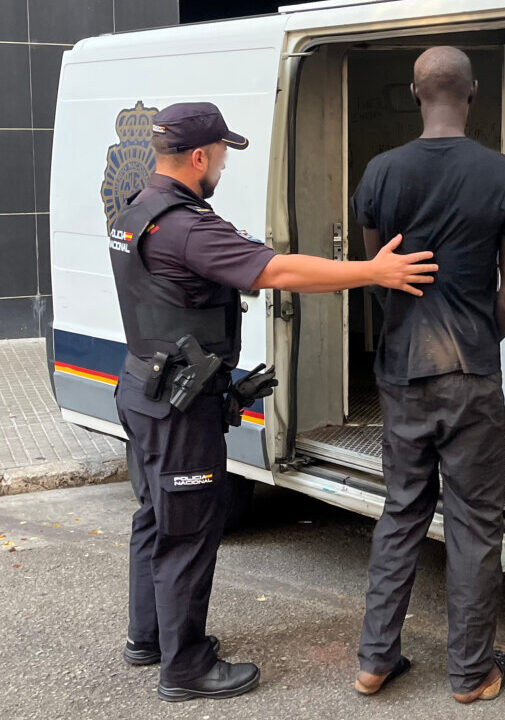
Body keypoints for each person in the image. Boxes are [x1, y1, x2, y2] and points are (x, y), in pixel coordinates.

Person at [110, 102, 438, 703]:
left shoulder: (135, 211)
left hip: (143, 387)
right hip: (179, 407)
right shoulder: (187, 226)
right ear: (201, 156)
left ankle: (148, 637)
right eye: (224, 155)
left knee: (155, 514)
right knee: (187, 528)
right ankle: (184, 668)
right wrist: (374, 271)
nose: (225, 167)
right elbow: (278, 271)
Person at [351, 47, 505, 703]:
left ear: (415, 92)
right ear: (471, 95)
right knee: (473, 525)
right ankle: (471, 673)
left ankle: (375, 661)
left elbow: (379, 270)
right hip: (471, 375)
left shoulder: (381, 171)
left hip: (402, 370)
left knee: (401, 513)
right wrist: (477, 340)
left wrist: (408, 329)